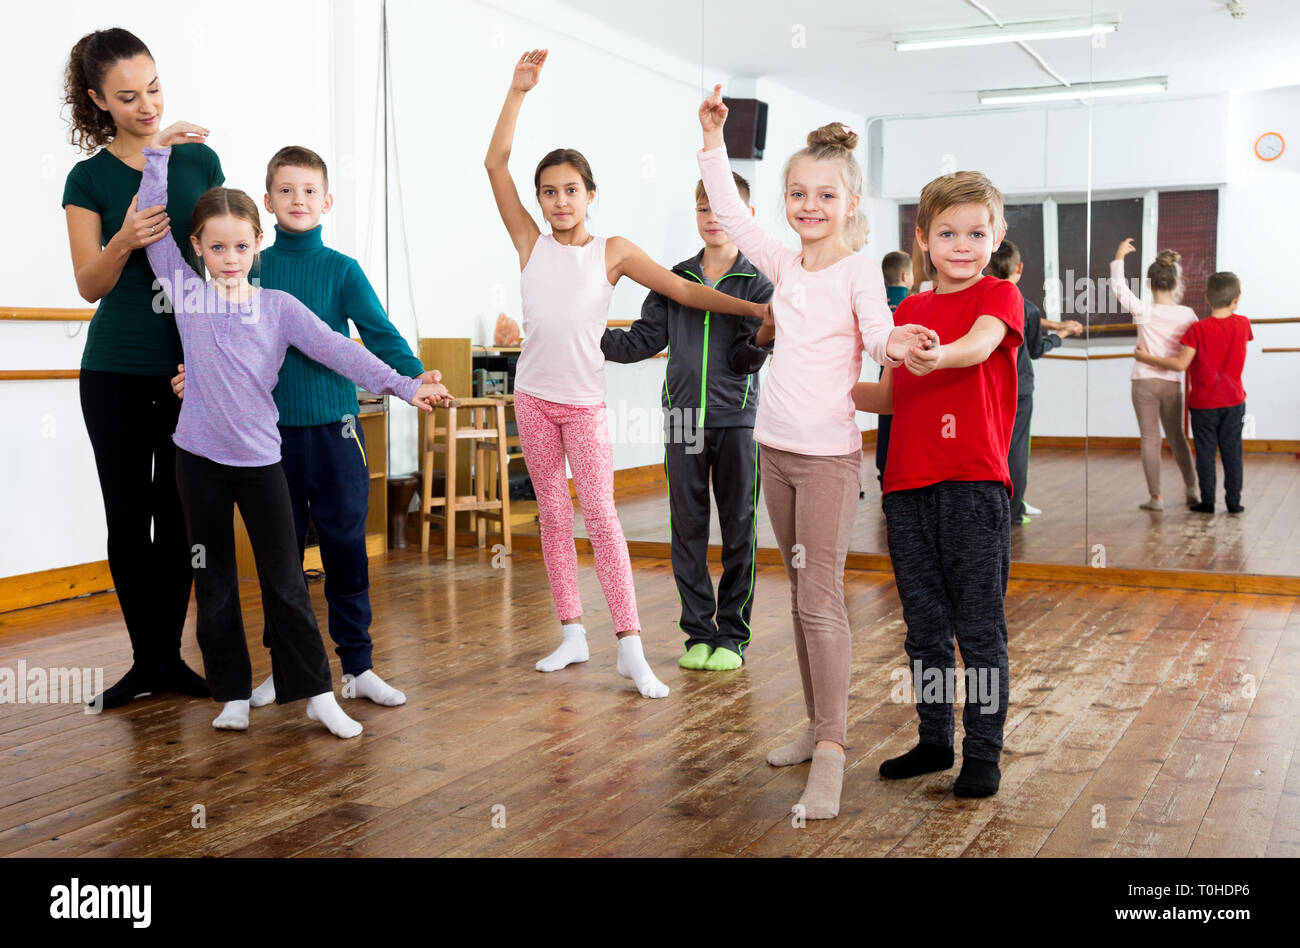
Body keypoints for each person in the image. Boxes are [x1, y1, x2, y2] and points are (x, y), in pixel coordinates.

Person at [138, 131, 450, 736]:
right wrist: (157, 155)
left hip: (261, 461)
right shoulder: (184, 295)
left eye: (240, 245)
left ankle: (317, 690)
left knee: (286, 578)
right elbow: (153, 229)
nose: (229, 257)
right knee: (217, 579)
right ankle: (230, 692)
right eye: (217, 246)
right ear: (197, 247)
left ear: (258, 245)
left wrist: (408, 386)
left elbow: (344, 350)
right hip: (197, 460)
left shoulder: (279, 305)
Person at [485, 51, 770, 699]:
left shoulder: (613, 252)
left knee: (603, 520)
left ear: (590, 196)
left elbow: (685, 293)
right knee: (553, 517)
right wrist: (517, 91)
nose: (560, 201)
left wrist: (753, 307)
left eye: (571, 190)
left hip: (583, 405)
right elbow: (494, 164)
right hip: (532, 398)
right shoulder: (529, 245)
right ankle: (571, 633)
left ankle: (631, 648)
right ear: (539, 200)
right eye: (549, 191)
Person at [698, 84, 936, 819]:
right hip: (776, 452)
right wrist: (713, 139)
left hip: (830, 461)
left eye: (824, 195)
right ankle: (814, 726)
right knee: (800, 601)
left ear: (851, 202)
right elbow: (732, 213)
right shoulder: (786, 264)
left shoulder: (858, 271)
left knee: (820, 599)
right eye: (797, 193)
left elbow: (877, 331)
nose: (809, 206)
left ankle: (832, 748)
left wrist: (896, 342)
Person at [61, 28, 218, 709]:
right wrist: (124, 236)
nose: (148, 105)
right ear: (98, 101)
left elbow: (225, 257)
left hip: (188, 366)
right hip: (116, 371)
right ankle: (146, 660)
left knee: (181, 514)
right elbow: (89, 284)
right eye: (127, 97)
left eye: (153, 88)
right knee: (128, 515)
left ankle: (170, 658)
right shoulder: (88, 178)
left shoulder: (199, 160)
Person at [876, 170, 1024, 799]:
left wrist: (937, 354)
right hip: (906, 487)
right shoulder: (907, 309)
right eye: (947, 233)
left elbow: (980, 345)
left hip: (973, 485)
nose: (962, 244)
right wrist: (807, 381)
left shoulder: (1000, 298)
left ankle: (982, 753)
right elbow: (885, 396)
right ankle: (935, 740)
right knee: (924, 627)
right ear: (923, 239)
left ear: (996, 238)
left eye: (976, 232)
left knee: (980, 629)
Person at [601, 173, 774, 672]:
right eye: (704, 208)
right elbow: (640, 342)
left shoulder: (758, 284)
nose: (713, 217)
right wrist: (581, 333)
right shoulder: (672, 278)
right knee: (688, 527)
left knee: (739, 526)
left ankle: (732, 635)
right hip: (681, 417)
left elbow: (746, 362)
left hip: (737, 420)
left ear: (746, 216)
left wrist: (762, 337)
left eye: (723, 208)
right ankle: (697, 632)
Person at [1135, 272, 1251, 514]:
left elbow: (1180, 365)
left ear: (1207, 299)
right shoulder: (1243, 324)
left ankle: (1207, 502)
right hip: (1234, 401)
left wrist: (1145, 357)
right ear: (1236, 300)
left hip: (1204, 404)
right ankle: (1233, 503)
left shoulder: (1197, 330)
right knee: (1232, 452)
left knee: (1206, 454)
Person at [987, 239, 1082, 524]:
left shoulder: (984, 302)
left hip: (990, 388)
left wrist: (1055, 325)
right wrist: (1062, 335)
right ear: (1019, 268)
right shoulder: (1027, 308)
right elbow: (1037, 347)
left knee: (994, 448)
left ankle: (998, 505)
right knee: (1016, 450)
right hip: (1018, 390)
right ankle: (1014, 510)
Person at [1110, 240, 1199, 511]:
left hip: (1144, 382)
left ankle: (1156, 498)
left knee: (1150, 439)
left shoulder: (1144, 311)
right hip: (1172, 384)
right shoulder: (1188, 315)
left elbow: (1119, 288)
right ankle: (1192, 488)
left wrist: (1119, 256)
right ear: (1176, 283)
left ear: (1149, 284)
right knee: (1177, 437)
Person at [874, 250, 913, 487]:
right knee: (906, 428)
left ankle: (883, 476)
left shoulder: (877, 304)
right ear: (904, 275)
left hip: (884, 370)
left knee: (886, 426)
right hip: (909, 374)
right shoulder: (912, 303)